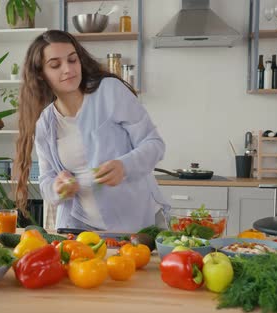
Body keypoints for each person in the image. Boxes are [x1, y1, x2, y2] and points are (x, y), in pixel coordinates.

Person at [13, 30, 169, 233]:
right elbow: (46, 180)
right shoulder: (45, 123)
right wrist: (57, 187)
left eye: (72, 60)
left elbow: (154, 144)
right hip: (80, 230)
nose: (68, 69)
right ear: (41, 74)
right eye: (55, 65)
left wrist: (125, 166)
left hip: (136, 226)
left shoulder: (109, 92)